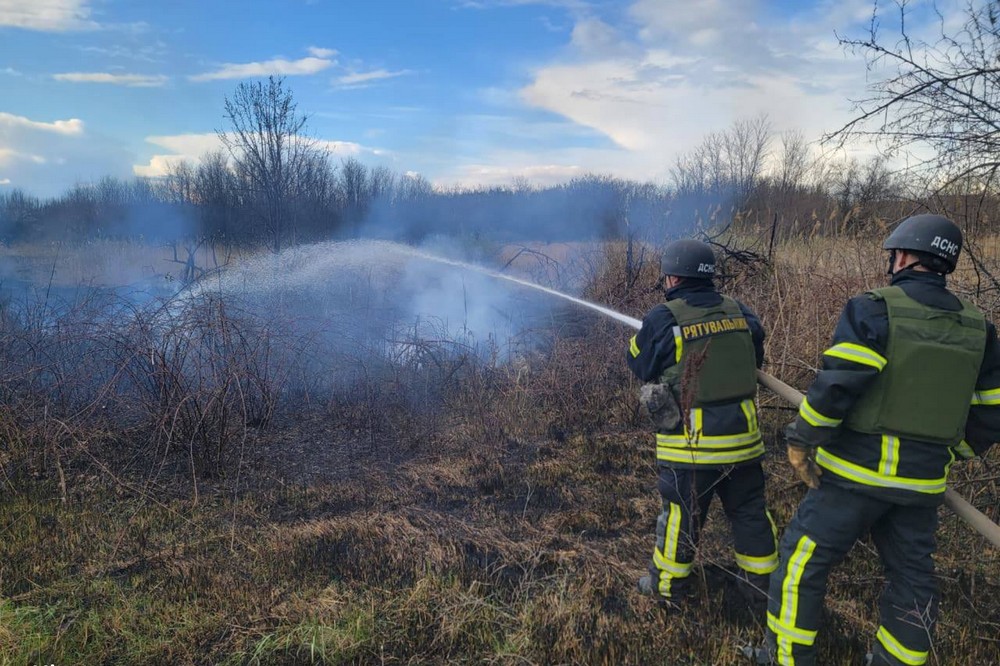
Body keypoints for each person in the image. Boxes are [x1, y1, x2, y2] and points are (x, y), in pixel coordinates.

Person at [765, 214, 1000, 666]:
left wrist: (802, 439)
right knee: (913, 581)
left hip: (854, 475)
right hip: (921, 486)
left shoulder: (873, 309)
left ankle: (788, 657)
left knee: (801, 563)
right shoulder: (979, 328)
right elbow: (993, 410)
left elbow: (837, 386)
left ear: (904, 257)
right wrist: (950, 452)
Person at [627, 238, 777, 610]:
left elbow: (640, 364)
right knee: (751, 515)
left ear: (673, 278)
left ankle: (668, 589)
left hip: (691, 448)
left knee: (681, 519)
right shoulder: (740, 311)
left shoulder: (663, 317)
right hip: (744, 445)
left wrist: (643, 338)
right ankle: (761, 589)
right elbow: (755, 357)